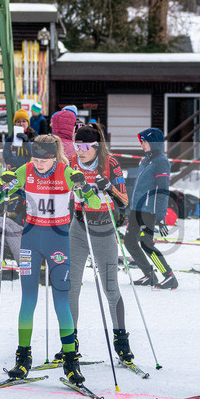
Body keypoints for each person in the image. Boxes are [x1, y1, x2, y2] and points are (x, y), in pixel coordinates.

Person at [0, 135, 101, 385]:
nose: (39, 165)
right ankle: (23, 358)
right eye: (35, 159)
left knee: (61, 298)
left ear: (54, 157)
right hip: (31, 240)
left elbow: (93, 203)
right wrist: (0, 184)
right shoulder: (24, 170)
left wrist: (85, 187)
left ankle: (70, 359)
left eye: (44, 160)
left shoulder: (67, 172)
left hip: (58, 241)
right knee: (28, 298)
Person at [68, 124, 132, 363]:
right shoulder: (73, 161)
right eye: (77, 145)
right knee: (71, 286)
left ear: (96, 146)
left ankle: (121, 341)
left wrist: (110, 188)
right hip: (79, 226)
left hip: (104, 227)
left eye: (85, 146)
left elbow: (125, 199)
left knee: (110, 287)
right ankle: (70, 341)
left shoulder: (110, 163)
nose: (80, 150)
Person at [125, 128, 177, 289]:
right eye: (141, 142)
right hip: (137, 209)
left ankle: (169, 276)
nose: (142, 145)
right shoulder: (146, 160)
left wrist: (161, 216)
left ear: (154, 143)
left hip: (149, 210)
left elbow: (163, 190)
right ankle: (149, 275)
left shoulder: (161, 161)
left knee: (146, 243)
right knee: (129, 242)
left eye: (145, 141)